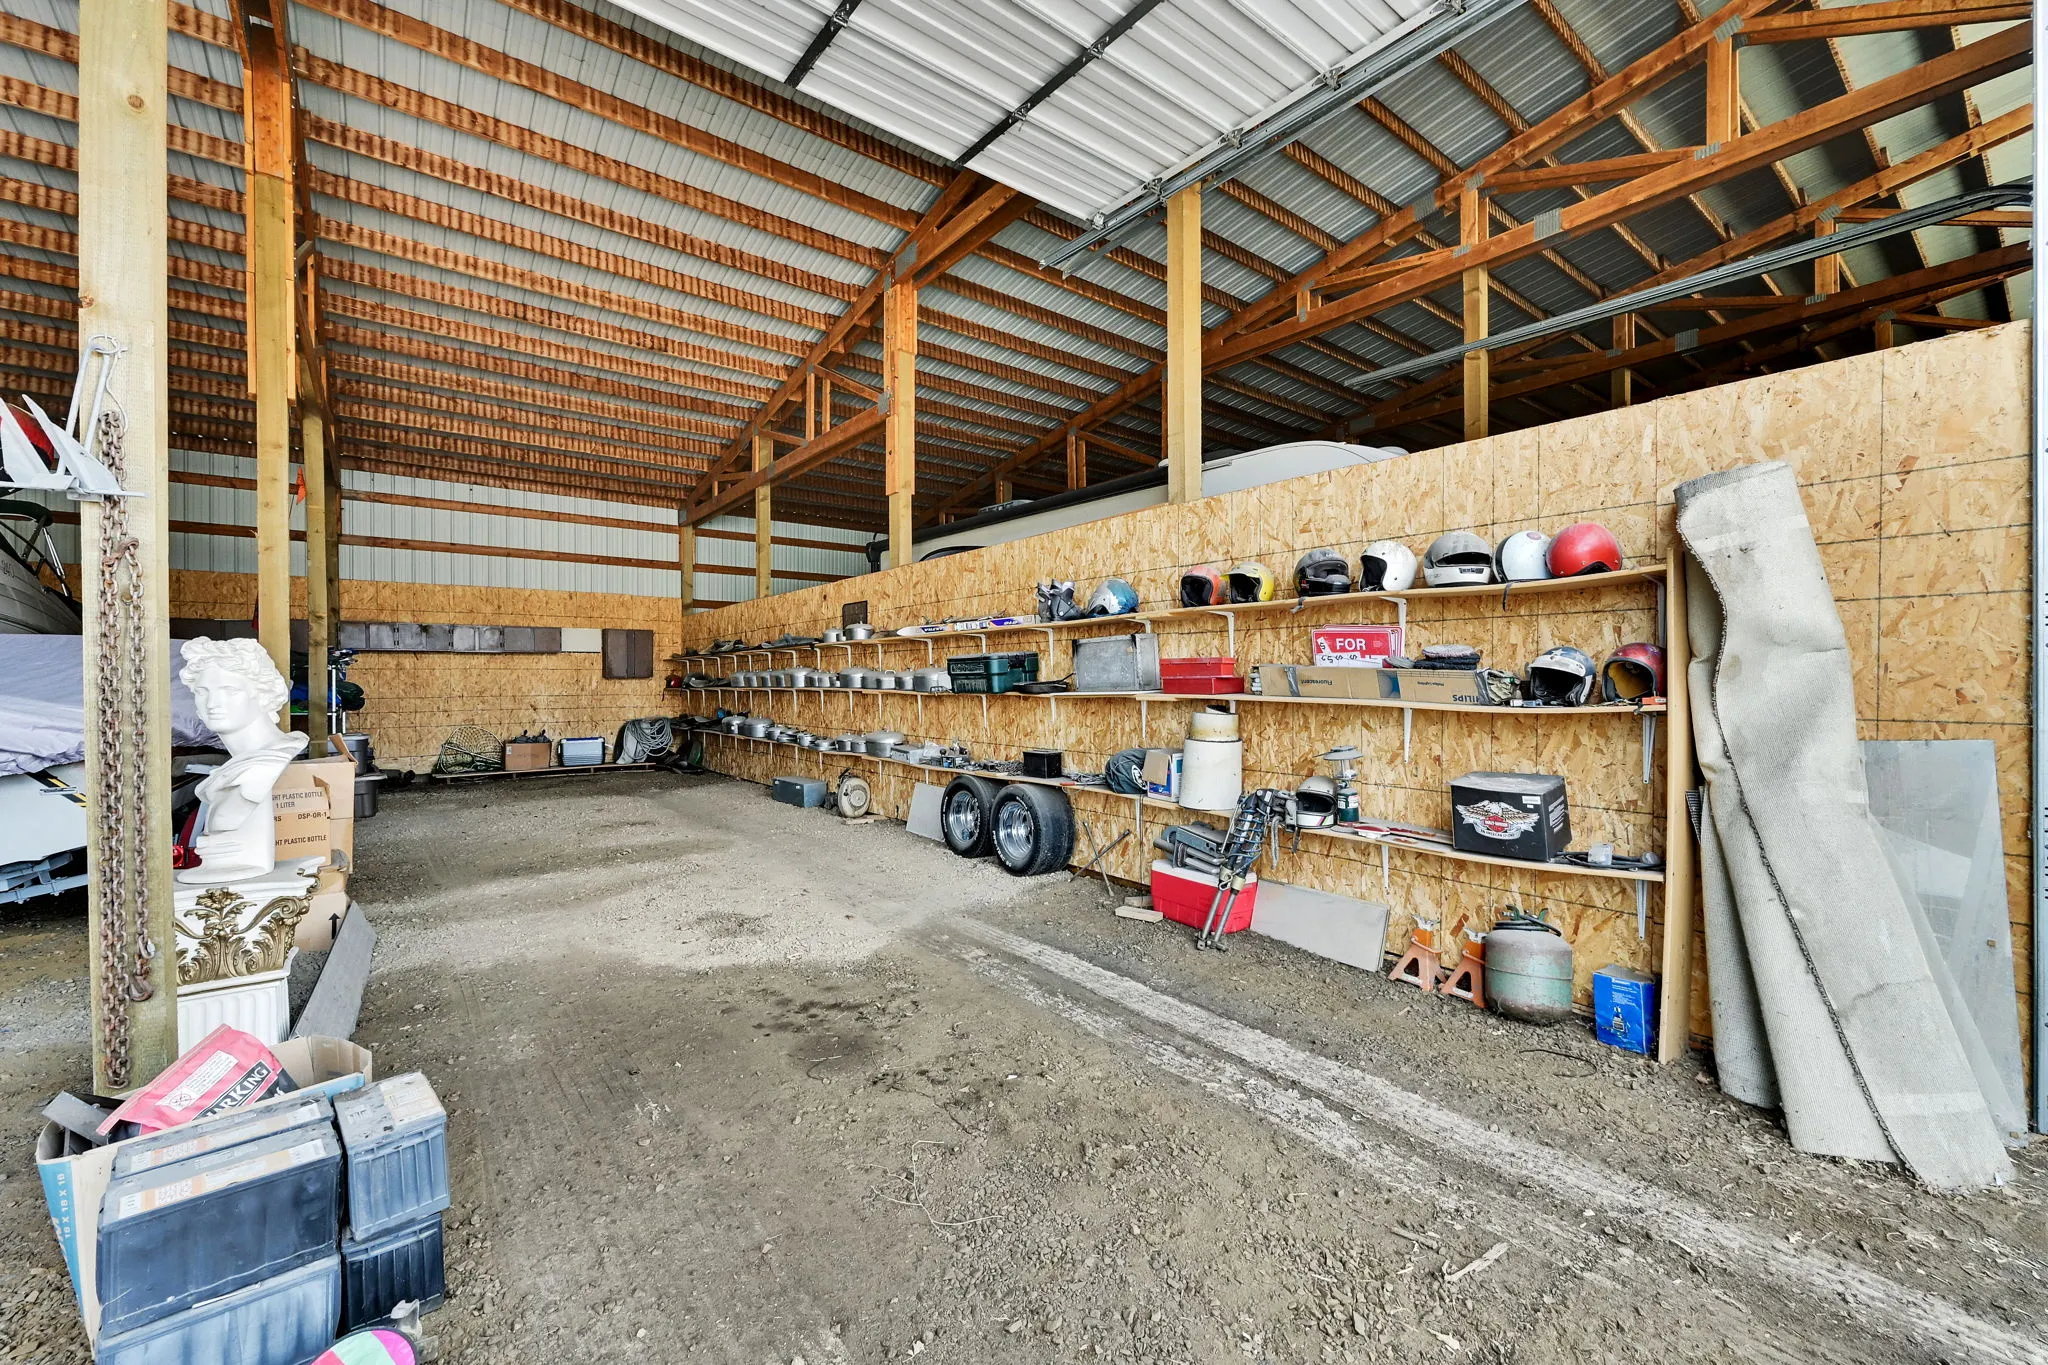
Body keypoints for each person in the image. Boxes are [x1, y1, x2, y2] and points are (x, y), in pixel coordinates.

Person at [175, 637, 308, 885]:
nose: (212, 703)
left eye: (229, 691)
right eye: (203, 692)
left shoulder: (264, 766)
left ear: (263, 694)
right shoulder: (233, 771)